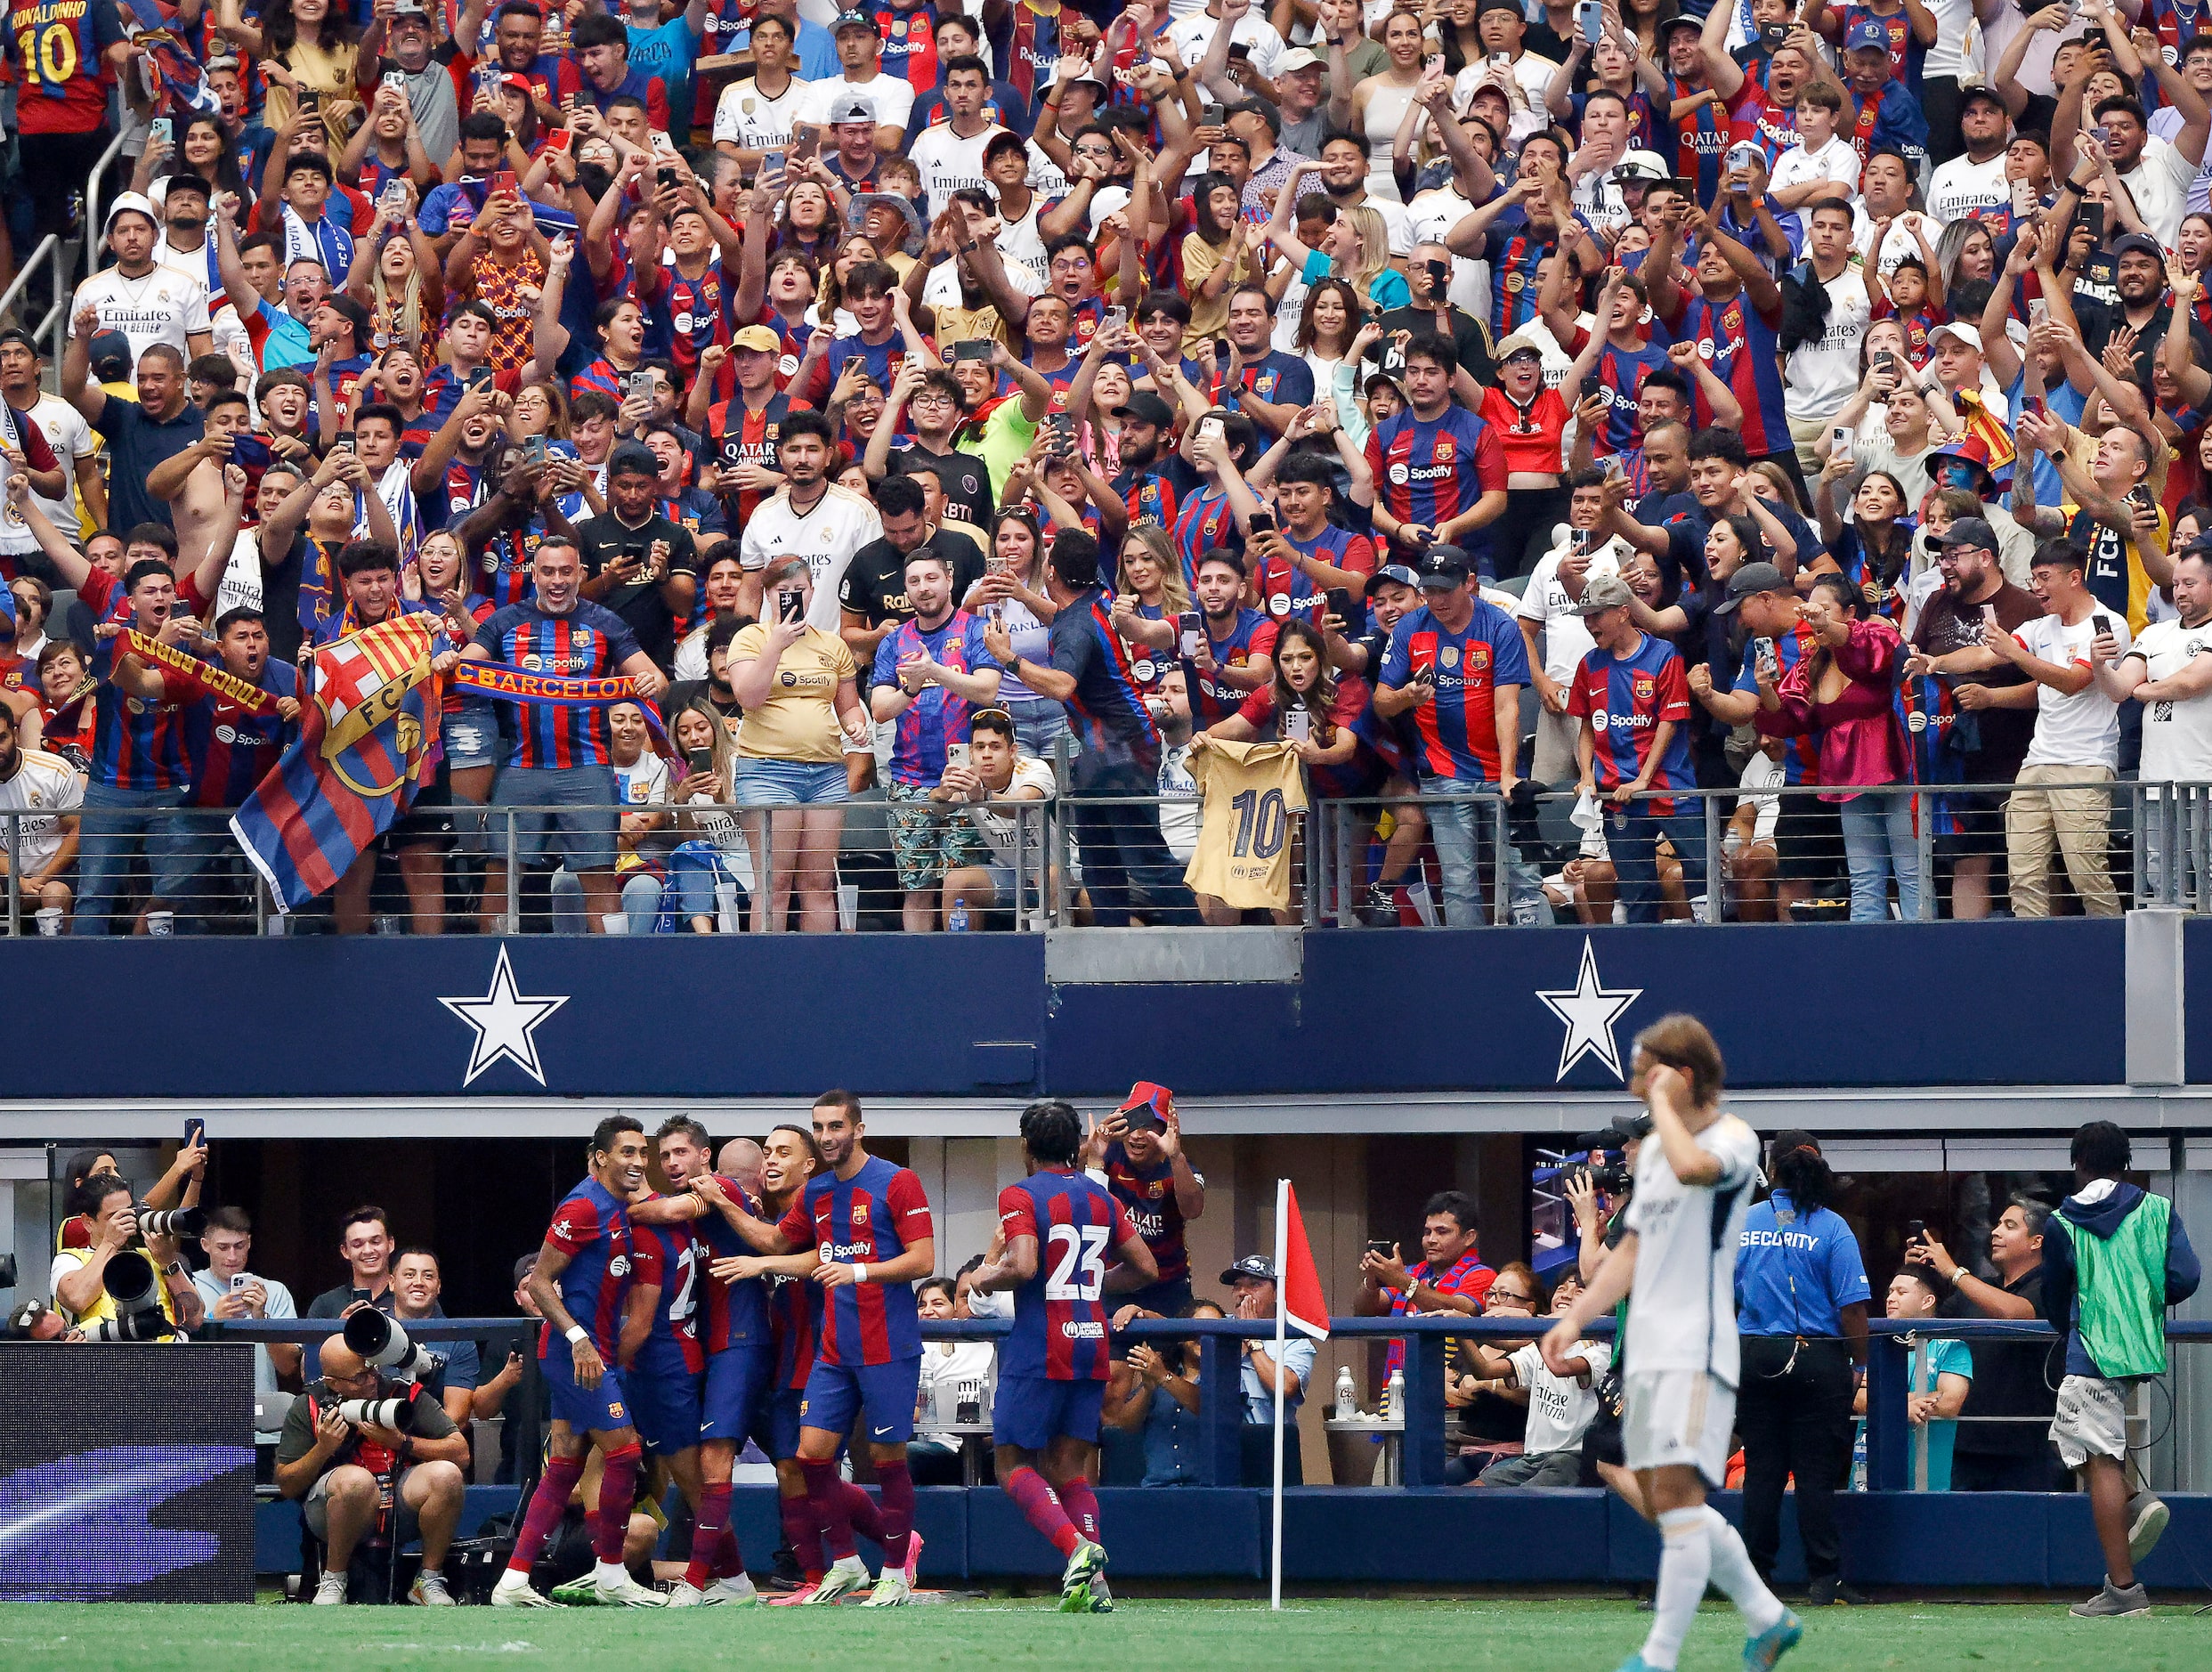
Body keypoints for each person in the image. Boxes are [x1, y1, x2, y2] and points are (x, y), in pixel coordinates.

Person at [1543, 1016, 1801, 1672]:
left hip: (1700, 1346)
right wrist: (1576, 1319)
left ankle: (1657, 1658)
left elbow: (1694, 1169)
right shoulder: (1653, 1152)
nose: (1637, 1089)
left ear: (1682, 1077)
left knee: (1680, 1503)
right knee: (1669, 1502)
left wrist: (1660, 1105)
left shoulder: (1734, 1139)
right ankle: (1768, 1618)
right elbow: (1630, 1250)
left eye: (1645, 1074)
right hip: (1649, 1350)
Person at [701, 1091, 935, 1606]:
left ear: (859, 1128)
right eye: (820, 1127)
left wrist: (859, 1271)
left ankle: (895, 1570)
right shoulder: (818, 1192)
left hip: (888, 1346)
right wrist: (723, 1202)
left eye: (836, 1126)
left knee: (888, 1460)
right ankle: (847, 1564)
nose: (828, 1136)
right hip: (834, 1349)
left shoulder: (898, 1181)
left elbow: (922, 1260)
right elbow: (779, 1242)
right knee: (809, 1458)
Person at [969, 1099, 1158, 1613]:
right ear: (1077, 1146)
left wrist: (983, 1276)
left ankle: (1077, 1548)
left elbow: (1025, 1264)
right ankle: (1096, 1584)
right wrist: (1091, 1288)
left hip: (1041, 1342)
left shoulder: (1020, 1193)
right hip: (1091, 1337)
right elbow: (1145, 1268)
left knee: (1011, 1464)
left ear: (1026, 1146)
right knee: (1070, 1466)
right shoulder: (1103, 1199)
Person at [491, 1116, 665, 1608]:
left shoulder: (620, 1203)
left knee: (564, 1466)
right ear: (601, 1156)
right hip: (575, 1355)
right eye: (626, 1153)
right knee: (625, 1454)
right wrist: (578, 1338)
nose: (636, 1162)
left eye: (641, 1152)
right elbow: (540, 1282)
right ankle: (611, 1573)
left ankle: (513, 1581)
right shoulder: (582, 1205)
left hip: (596, 1352)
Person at [2038, 1120, 2200, 1618]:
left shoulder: (2061, 1222)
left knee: (2098, 1455)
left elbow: (2053, 1292)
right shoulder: (2159, 1210)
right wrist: (2147, 1301)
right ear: (2127, 1161)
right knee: (2079, 1441)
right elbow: (2186, 1278)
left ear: (2077, 1164)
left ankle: (2125, 1591)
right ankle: (2136, 1501)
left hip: (2089, 1351)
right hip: (2139, 1350)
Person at [1733, 1132, 1871, 1604]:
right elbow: (1853, 1308)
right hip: (1819, 1360)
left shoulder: (1743, 1223)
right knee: (1816, 1474)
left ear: (1771, 1171)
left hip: (1754, 1357)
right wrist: (1860, 1362)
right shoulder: (1833, 1227)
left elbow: (1720, 1294)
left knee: (1762, 1473)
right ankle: (1824, 1579)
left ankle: (1755, 1580)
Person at [727, 556, 871, 931]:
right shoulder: (750, 637)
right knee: (774, 884)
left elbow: (849, 707)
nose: (791, 598)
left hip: (826, 772)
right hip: (767, 770)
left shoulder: (832, 644)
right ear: (768, 595)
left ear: (811, 591)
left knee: (819, 884)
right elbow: (748, 697)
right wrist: (776, 643)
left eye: (799, 591)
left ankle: (818, 975)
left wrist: (856, 727)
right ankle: (767, 974)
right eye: (781, 592)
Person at [275, 1334, 471, 1605]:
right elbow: (286, 1484)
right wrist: (323, 1448)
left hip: (399, 1506)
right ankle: (334, 1580)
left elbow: (460, 1453)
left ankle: (428, 1579)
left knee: (446, 1475)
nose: (370, 1381)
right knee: (357, 1481)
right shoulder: (309, 1404)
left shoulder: (402, 1394)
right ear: (332, 1382)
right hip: (339, 1509)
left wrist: (402, 1442)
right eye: (359, 1378)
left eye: (372, 1370)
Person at [1913, 1197, 2064, 1491]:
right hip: (1967, 1444)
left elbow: (2015, 1313)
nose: (1995, 1232)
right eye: (1996, 1224)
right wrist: (1916, 1281)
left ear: (2037, 1242)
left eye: (2009, 1226)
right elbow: (1925, 1321)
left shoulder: (2053, 1285)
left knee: (2023, 1534)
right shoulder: (1981, 1288)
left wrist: (1955, 1272)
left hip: (2026, 1450)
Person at [1085, 1082, 1207, 1317]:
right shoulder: (1110, 1154)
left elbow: (1192, 1210)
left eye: (1149, 1126)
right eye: (1133, 1123)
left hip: (1168, 1287)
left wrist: (1176, 1156)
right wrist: (1093, 1148)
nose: (1138, 1135)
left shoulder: (1179, 1168)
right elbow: (1061, 1172)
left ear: (1163, 1130)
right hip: (1115, 1283)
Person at [1355, 1189, 1494, 1387]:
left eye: (1442, 1231)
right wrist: (1373, 1278)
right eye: (1428, 1232)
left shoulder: (1481, 1275)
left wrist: (1402, 1282)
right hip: (1405, 1388)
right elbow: (1365, 1309)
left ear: (1469, 1237)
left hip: (1455, 1392)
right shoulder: (1413, 1273)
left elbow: (1458, 1309)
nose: (1431, 1239)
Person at [193, 1207, 304, 1449]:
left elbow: (289, 1367)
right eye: (223, 1247)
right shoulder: (189, 1288)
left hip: (264, 1422)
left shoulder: (274, 1291)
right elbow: (174, 1361)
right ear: (205, 1245)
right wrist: (213, 1322)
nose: (232, 1256)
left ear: (250, 1243)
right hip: (202, 1420)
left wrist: (261, 1322)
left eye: (239, 1246)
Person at [1862, 1267, 1971, 1492]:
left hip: (1929, 1478)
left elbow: (1950, 1402)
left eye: (1901, 1292)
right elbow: (1858, 1398)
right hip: (1871, 1473)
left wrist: (1889, 1402)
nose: (1891, 1299)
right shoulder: (1871, 1345)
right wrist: (1902, 1407)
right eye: (1890, 1292)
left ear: (1927, 1301)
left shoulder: (1952, 1346)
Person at [1222, 1254, 1316, 1487]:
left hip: (1269, 1447)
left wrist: (1253, 1340)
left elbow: (1283, 1386)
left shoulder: (1294, 1339)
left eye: (1255, 1285)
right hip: (1221, 1444)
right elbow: (1179, 1330)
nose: (1243, 1292)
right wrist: (1139, 1311)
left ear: (1276, 1293)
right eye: (1237, 1286)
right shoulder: (1218, 1325)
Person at [306, 1205, 398, 1318]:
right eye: (357, 1245)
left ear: (390, 1244)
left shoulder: (408, 1298)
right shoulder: (325, 1304)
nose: (368, 1250)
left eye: (375, 1242)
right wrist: (341, 1327)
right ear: (345, 1251)